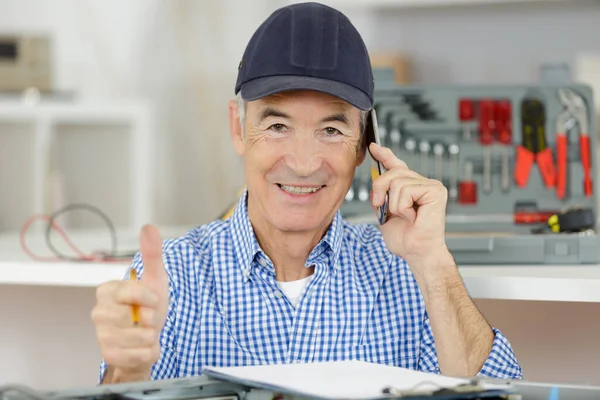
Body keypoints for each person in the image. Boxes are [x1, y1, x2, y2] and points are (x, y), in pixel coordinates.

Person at [92, 2, 522, 384]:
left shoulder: (406, 271)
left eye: (331, 130)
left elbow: (500, 395)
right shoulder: (175, 274)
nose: (302, 162)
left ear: (363, 145)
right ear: (238, 128)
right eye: (278, 126)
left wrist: (433, 263)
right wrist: (127, 372)